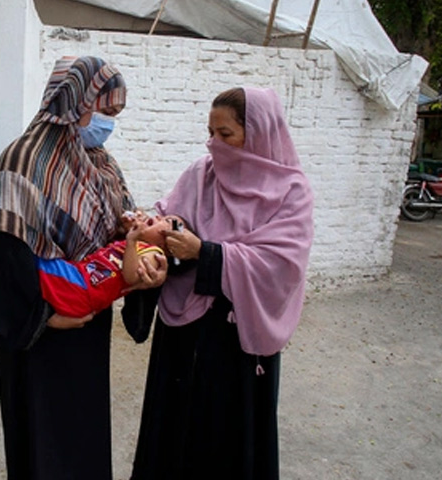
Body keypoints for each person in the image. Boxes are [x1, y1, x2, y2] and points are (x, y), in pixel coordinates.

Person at [0, 55, 167, 480]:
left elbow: (123, 234)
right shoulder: (22, 159)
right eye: (105, 110)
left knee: (82, 440)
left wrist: (145, 262)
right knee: (42, 445)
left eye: (114, 114)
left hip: (88, 326)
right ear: (76, 102)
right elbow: (0, 255)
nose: (108, 123)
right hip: (38, 333)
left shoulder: (100, 163)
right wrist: (45, 318)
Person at [124, 87, 314, 479]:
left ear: (258, 134)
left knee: (224, 441)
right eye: (210, 132)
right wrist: (154, 233)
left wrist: (206, 253)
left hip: (235, 341)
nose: (214, 144)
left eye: (226, 135)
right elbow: (169, 216)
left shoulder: (291, 192)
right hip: (182, 335)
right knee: (173, 434)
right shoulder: (200, 174)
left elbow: (282, 267)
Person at [0, 213, 179, 337]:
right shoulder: (140, 244)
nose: (159, 218)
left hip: (80, 288)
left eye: (166, 224)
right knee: (29, 274)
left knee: (29, 264)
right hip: (79, 280)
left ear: (170, 246)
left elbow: (130, 276)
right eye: (162, 216)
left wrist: (132, 240)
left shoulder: (153, 254)